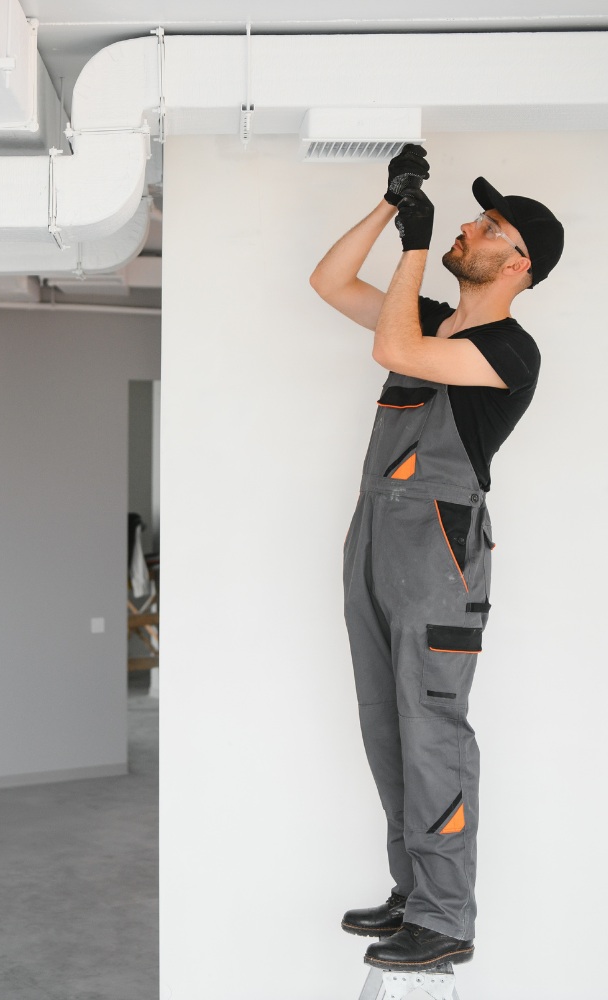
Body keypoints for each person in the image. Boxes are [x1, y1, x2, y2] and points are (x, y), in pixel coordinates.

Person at [309, 146, 564, 971]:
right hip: (375, 542)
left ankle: (447, 914)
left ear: (515, 263)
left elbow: (395, 354)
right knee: (386, 727)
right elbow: (330, 282)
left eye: (486, 225)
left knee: (433, 735)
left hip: (438, 558)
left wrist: (415, 248)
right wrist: (389, 208)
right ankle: (413, 892)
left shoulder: (511, 350)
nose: (466, 224)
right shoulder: (425, 316)